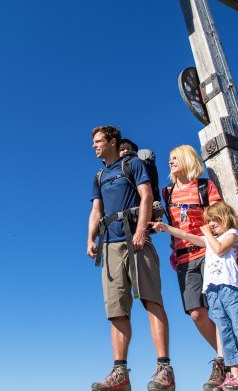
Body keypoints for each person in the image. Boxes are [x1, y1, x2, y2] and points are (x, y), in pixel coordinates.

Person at [88, 125, 175, 391]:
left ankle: (164, 368)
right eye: (93, 142)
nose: (94, 146)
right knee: (116, 311)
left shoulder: (134, 165)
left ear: (113, 141)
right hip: (110, 245)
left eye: (99, 141)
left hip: (136, 239)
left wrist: (140, 230)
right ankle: (120, 373)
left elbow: (147, 195)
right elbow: (96, 209)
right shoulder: (100, 175)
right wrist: (90, 238)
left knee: (151, 299)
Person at [151, 201, 238, 390]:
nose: (210, 224)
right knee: (225, 333)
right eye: (208, 220)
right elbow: (187, 236)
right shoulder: (210, 239)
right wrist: (166, 228)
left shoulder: (232, 235)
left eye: (215, 219)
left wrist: (208, 233)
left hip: (229, 288)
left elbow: (219, 249)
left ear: (226, 218)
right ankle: (235, 374)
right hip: (212, 291)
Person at [162, 145, 238, 391]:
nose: (170, 162)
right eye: (169, 159)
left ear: (188, 159)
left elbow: (222, 216)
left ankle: (223, 362)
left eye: (175, 158)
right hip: (184, 259)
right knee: (197, 313)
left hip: (209, 254)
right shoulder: (166, 193)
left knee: (218, 310)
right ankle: (232, 357)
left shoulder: (204, 186)